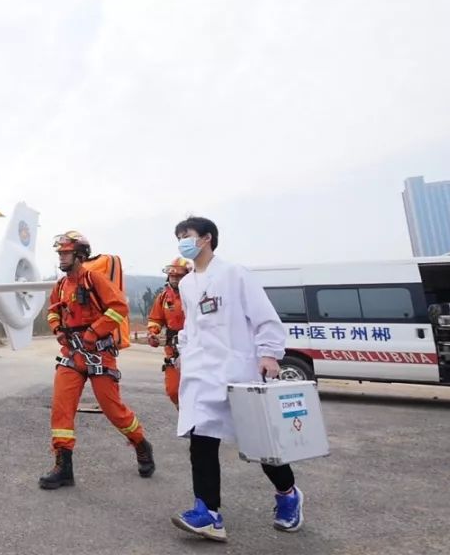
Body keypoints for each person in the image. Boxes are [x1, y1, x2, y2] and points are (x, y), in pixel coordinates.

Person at [170, 217, 303, 542]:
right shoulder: (186, 284)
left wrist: (269, 354)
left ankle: (288, 494)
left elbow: (264, 317)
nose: (181, 242)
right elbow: (192, 326)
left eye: (186, 236)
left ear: (206, 238)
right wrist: (181, 352)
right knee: (200, 440)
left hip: (237, 372)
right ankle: (209, 513)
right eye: (178, 237)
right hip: (201, 375)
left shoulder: (234, 274)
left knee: (259, 444)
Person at [40, 231, 155, 489]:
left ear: (80, 255)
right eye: (59, 253)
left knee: (114, 411)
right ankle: (63, 467)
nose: (61, 257)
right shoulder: (60, 286)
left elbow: (119, 308)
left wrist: (94, 331)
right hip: (72, 355)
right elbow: (52, 312)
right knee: (61, 408)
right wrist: (57, 328)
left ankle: (140, 443)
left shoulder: (95, 279)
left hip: (99, 353)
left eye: (65, 253)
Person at [147, 257, 191, 408]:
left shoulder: (196, 295)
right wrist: (153, 333)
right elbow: (155, 319)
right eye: (172, 276)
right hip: (173, 350)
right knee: (173, 391)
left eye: (179, 276)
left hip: (195, 348)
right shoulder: (164, 297)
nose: (175, 280)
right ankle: (184, 415)